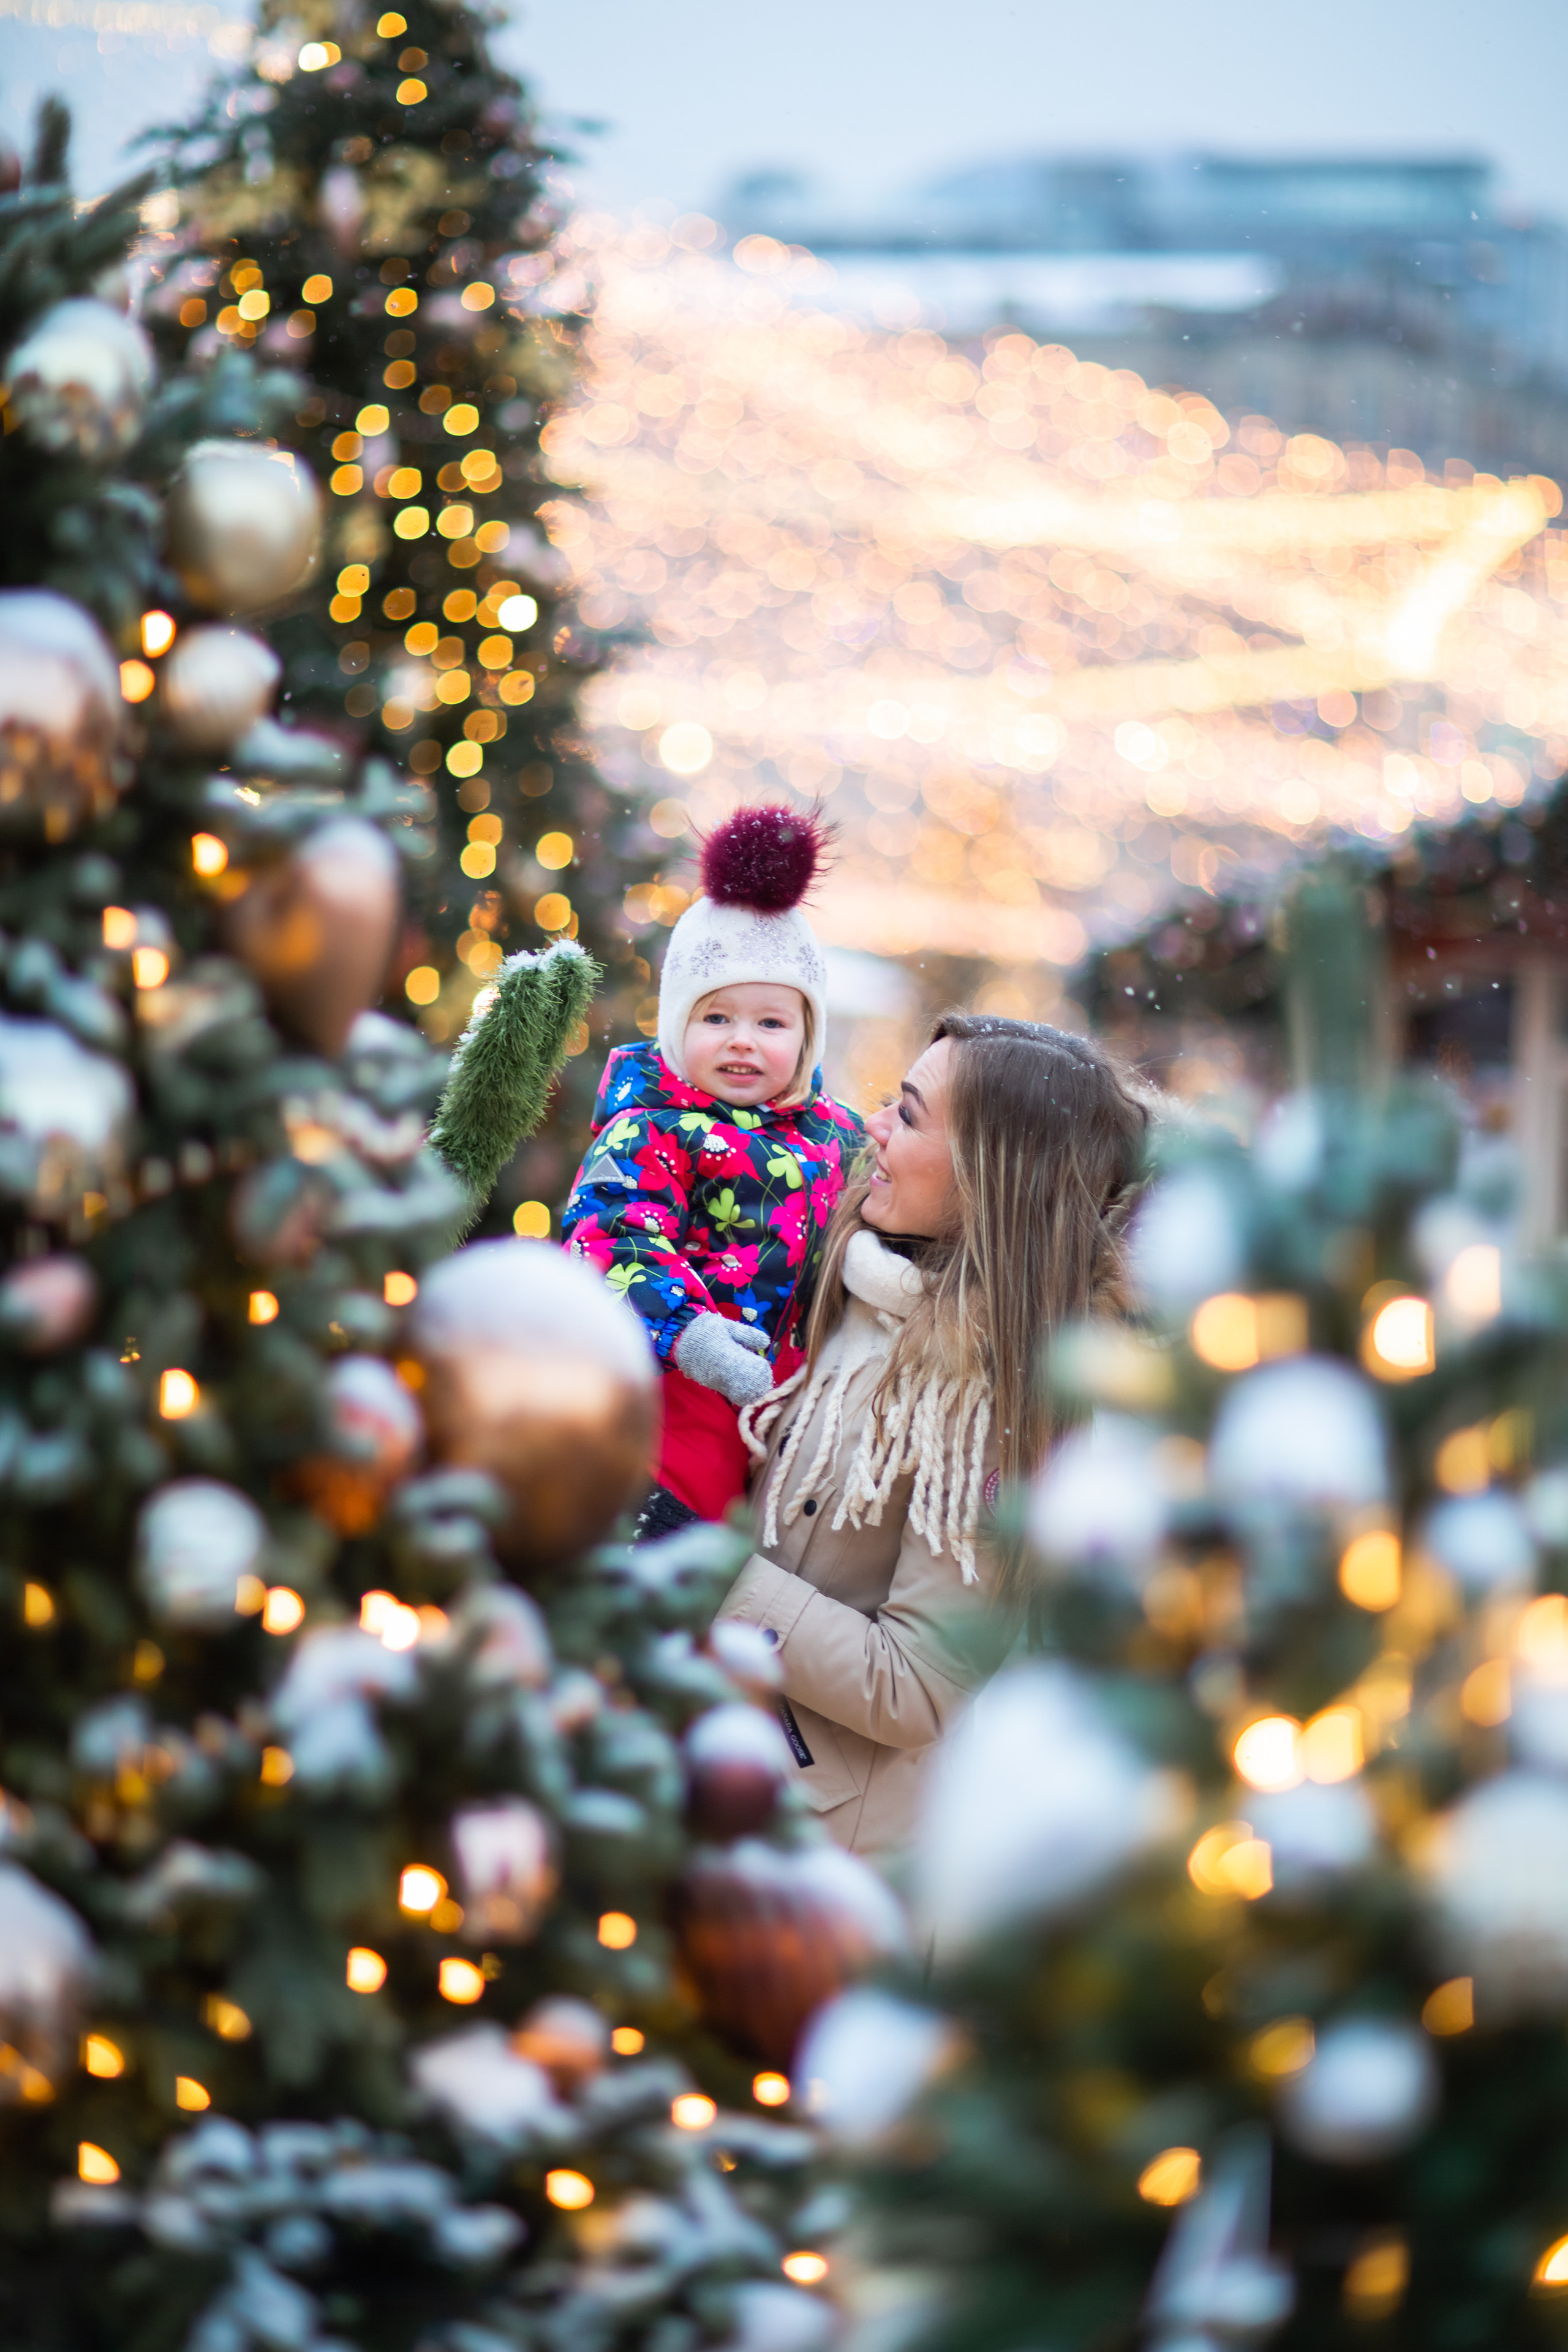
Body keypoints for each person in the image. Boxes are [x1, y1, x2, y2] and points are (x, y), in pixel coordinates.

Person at [717, 1012, 1149, 1861]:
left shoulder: (989, 1398)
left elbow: (919, 1685)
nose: (872, 1125)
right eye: (890, 1099)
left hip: (819, 1854)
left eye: (909, 1115)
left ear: (994, 1178)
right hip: (722, 1779)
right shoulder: (854, 1282)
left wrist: (716, 1576)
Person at [562, 805, 863, 1536]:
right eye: (716, 1018)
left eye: (771, 1023)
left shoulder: (843, 1136)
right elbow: (611, 1237)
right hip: (674, 1383)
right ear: (675, 1025)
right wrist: (687, 1332)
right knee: (677, 1516)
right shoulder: (652, 1129)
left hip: (791, 1391)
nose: (742, 1043)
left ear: (807, 1034)